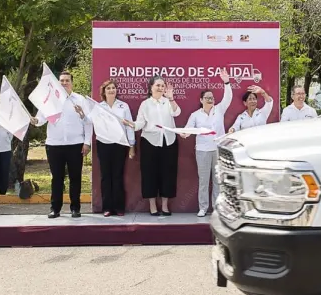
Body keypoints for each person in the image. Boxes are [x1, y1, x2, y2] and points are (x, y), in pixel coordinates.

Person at [30, 70, 92, 218]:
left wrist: (87, 142)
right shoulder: (50, 99)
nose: (64, 83)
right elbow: (40, 120)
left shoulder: (80, 100)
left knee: (75, 177)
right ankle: (55, 208)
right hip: (54, 145)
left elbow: (89, 122)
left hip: (76, 144)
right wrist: (35, 121)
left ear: (72, 82)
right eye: (62, 81)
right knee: (56, 178)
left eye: (67, 80)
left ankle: (75, 208)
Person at [122, 76, 181, 216]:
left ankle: (165, 206)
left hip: (169, 141)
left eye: (162, 86)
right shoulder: (145, 104)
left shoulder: (168, 102)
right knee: (150, 174)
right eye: (158, 85)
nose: (160, 88)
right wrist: (132, 124)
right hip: (150, 142)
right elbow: (140, 123)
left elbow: (176, 112)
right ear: (151, 87)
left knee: (168, 174)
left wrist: (171, 98)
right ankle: (153, 206)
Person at [181, 69, 232, 217]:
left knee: (217, 180)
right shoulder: (195, 115)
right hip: (202, 151)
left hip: (218, 150)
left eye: (212, 97)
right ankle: (203, 207)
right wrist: (185, 133)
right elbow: (188, 129)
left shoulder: (219, 110)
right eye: (207, 98)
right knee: (204, 181)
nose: (210, 99)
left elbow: (228, 97)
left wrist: (226, 82)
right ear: (201, 100)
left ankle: (216, 208)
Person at [96, 80, 135, 217]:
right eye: (108, 88)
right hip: (103, 144)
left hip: (120, 145)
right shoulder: (98, 107)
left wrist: (132, 145)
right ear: (104, 91)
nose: (111, 90)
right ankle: (107, 208)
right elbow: (90, 122)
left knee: (118, 176)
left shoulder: (123, 106)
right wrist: (82, 113)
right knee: (106, 177)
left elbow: (129, 126)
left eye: (113, 88)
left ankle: (119, 207)